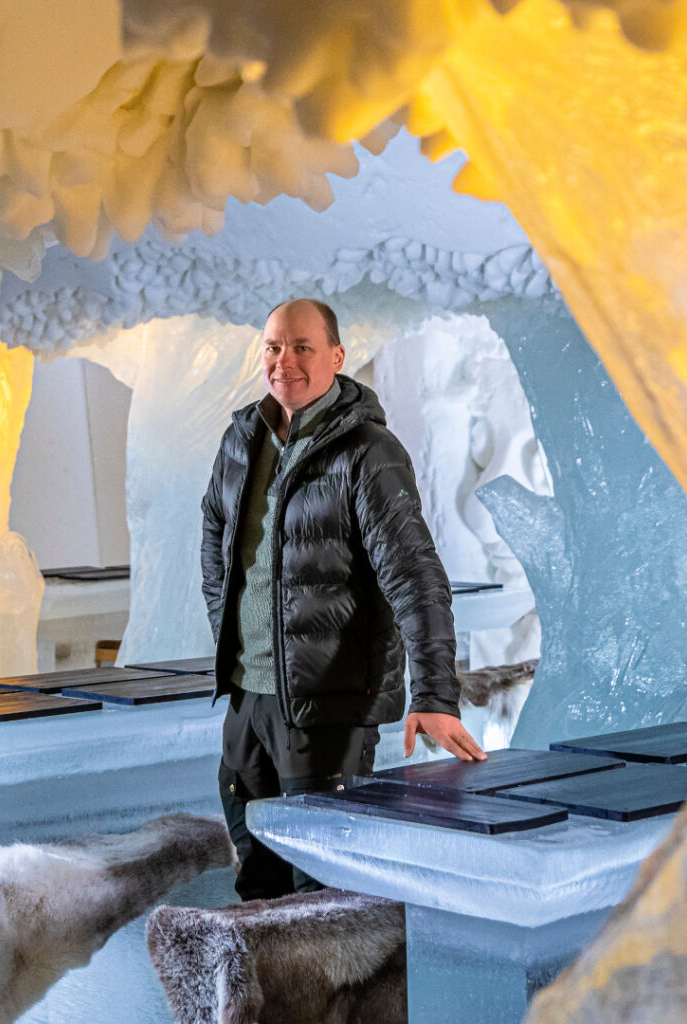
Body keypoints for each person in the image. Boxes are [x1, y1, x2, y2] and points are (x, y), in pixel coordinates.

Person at [201, 298, 485, 900]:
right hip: (249, 703)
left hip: (329, 712)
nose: (286, 362)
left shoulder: (368, 452)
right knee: (257, 880)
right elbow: (214, 539)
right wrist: (236, 639)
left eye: (303, 347)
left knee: (326, 896)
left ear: (336, 356)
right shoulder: (241, 438)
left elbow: (415, 576)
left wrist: (434, 694)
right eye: (274, 347)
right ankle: (273, 998)